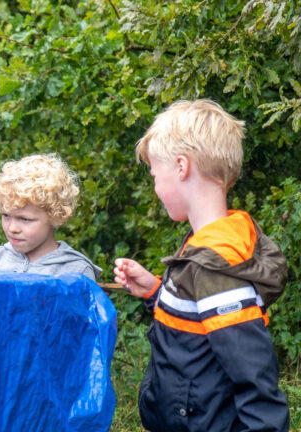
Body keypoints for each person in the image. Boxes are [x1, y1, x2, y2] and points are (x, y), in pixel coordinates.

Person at [112, 99, 289, 431]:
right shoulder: (205, 245)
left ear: (181, 167)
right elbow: (196, 322)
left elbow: (254, 379)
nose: (156, 188)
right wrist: (154, 291)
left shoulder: (215, 266)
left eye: (155, 175)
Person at [0, 153, 102, 281]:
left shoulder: (76, 271)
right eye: (6, 215)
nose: (12, 228)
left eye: (25, 219)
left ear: (55, 216)